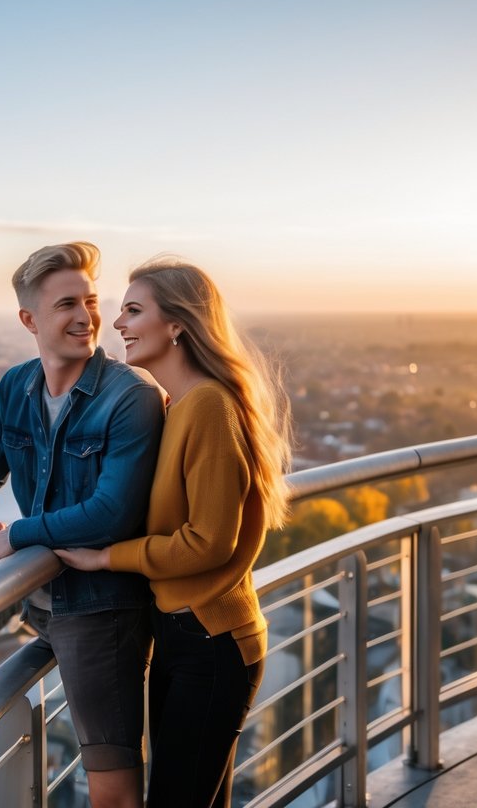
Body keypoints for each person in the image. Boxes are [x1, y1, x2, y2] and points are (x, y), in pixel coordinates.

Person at [56, 254, 293, 808]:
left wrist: (106, 557)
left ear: (178, 324)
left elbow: (210, 541)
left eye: (133, 311)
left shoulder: (207, 405)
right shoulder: (177, 404)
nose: (116, 325)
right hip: (183, 636)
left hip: (212, 642)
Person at [0, 242, 164, 808]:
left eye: (90, 301)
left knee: (111, 790)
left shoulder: (130, 397)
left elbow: (112, 514)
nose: (87, 317)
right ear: (29, 320)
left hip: (100, 612)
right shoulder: (15, 388)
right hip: (34, 599)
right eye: (67, 304)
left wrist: (14, 534)